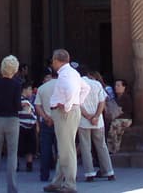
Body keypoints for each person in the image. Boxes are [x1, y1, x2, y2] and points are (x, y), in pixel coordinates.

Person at [46, 48, 87, 193]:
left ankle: (69, 184)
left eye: (53, 60)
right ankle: (57, 181)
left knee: (67, 150)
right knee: (64, 147)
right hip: (70, 111)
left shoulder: (65, 75)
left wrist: (68, 106)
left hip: (64, 113)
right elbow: (86, 88)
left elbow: (70, 90)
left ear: (56, 60)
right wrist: (77, 103)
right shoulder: (73, 73)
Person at [0, 55, 23, 193]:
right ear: (15, 69)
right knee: (12, 154)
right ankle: (12, 188)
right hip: (12, 119)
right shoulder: (17, 85)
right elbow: (17, 105)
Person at [76, 65, 115, 182]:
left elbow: (77, 103)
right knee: (101, 145)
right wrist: (96, 116)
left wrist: (88, 116)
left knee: (85, 146)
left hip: (84, 121)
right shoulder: (96, 84)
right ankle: (109, 171)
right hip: (98, 121)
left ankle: (89, 173)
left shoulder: (77, 85)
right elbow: (102, 102)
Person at [34, 70, 57, 183]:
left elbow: (37, 106)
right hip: (60, 122)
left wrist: (46, 117)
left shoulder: (42, 88)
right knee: (62, 150)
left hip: (46, 121)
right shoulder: (62, 86)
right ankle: (63, 174)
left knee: (45, 149)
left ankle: (44, 174)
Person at [107, 79, 132, 154]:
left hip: (125, 119)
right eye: (115, 85)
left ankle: (112, 149)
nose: (116, 87)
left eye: (118, 85)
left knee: (114, 125)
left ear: (124, 87)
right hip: (117, 118)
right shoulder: (117, 98)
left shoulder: (125, 97)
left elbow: (119, 111)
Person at [17, 82, 37, 172]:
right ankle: (18, 163)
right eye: (29, 89)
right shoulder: (22, 100)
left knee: (30, 146)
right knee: (20, 145)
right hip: (22, 125)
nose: (31, 91)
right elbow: (27, 109)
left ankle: (29, 163)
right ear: (24, 90)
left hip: (30, 125)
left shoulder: (29, 100)